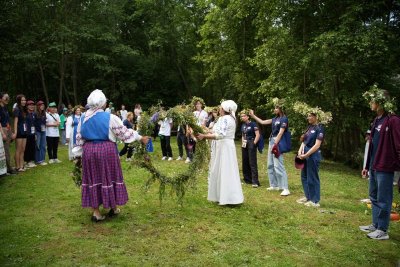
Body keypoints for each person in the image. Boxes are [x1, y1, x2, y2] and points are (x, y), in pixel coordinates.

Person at [73, 89, 148, 222]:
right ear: (103, 103)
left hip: (89, 151)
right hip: (106, 150)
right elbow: (124, 134)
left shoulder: (83, 118)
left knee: (93, 177)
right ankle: (113, 207)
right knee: (110, 176)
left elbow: (79, 138)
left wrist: (78, 155)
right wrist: (140, 137)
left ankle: (96, 212)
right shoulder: (110, 118)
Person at [359, 87, 400, 240]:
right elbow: (372, 145)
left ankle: (383, 230)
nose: (370, 103)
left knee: (384, 198)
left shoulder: (393, 120)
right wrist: (367, 165)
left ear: (381, 101)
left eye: (372, 100)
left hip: (386, 166)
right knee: (373, 195)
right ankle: (375, 224)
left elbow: (398, 145)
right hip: (374, 165)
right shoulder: (376, 120)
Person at [197, 100, 244, 205]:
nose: (219, 109)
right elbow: (216, 132)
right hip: (228, 146)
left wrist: (204, 136)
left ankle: (225, 198)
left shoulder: (225, 119)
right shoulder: (232, 118)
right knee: (228, 170)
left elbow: (220, 135)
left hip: (223, 147)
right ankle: (230, 197)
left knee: (222, 170)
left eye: (221, 108)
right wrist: (205, 131)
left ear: (224, 109)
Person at [250, 104, 291, 196]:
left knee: (278, 165)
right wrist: (253, 116)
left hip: (278, 142)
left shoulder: (284, 119)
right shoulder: (274, 119)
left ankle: (285, 188)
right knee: (270, 164)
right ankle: (274, 185)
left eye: (276, 108)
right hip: (271, 140)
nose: (275, 109)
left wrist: (275, 144)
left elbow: (281, 133)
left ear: (281, 109)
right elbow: (263, 122)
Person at [296, 112, 325, 207]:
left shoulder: (319, 128)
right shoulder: (309, 127)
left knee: (312, 177)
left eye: (310, 116)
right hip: (305, 153)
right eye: (307, 115)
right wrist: (300, 151)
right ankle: (308, 196)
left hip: (313, 155)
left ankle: (315, 201)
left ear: (316, 117)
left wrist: (306, 154)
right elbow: (304, 141)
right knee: (304, 176)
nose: (308, 117)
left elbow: (317, 145)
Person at [240, 110, 260, 187]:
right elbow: (243, 135)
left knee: (252, 162)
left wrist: (254, 143)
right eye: (241, 116)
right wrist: (242, 143)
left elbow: (257, 135)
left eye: (244, 116)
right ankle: (247, 179)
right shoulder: (243, 125)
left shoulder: (253, 124)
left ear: (248, 117)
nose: (242, 117)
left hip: (251, 141)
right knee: (245, 161)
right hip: (244, 143)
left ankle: (255, 181)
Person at [0, 92, 17, 174]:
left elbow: (7, 120)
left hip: (7, 129)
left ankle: (7, 168)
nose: (7, 99)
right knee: (5, 150)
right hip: (3, 130)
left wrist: (11, 132)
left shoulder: (5, 108)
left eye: (8, 97)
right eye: (5, 97)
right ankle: (8, 169)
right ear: (0, 99)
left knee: (7, 150)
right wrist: (2, 133)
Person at [13, 94, 28, 172]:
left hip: (24, 131)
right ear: (19, 101)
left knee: (23, 149)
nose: (24, 101)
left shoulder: (24, 109)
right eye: (22, 100)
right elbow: (15, 121)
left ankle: (22, 166)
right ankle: (17, 166)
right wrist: (15, 132)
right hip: (19, 131)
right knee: (18, 149)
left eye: (24, 100)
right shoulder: (17, 109)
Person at [23, 100, 37, 168]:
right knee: (27, 147)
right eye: (30, 105)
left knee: (32, 147)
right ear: (27, 106)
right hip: (27, 133)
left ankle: (31, 160)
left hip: (33, 133)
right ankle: (27, 161)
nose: (31, 106)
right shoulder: (25, 114)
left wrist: (35, 134)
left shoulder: (34, 114)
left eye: (32, 105)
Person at [34, 101, 47, 165]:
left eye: (43, 105)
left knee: (43, 146)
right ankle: (37, 160)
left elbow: (44, 122)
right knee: (37, 145)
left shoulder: (44, 113)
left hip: (43, 131)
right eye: (41, 105)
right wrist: (35, 133)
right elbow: (34, 123)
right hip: (37, 131)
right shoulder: (35, 114)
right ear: (38, 106)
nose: (42, 106)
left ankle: (42, 159)